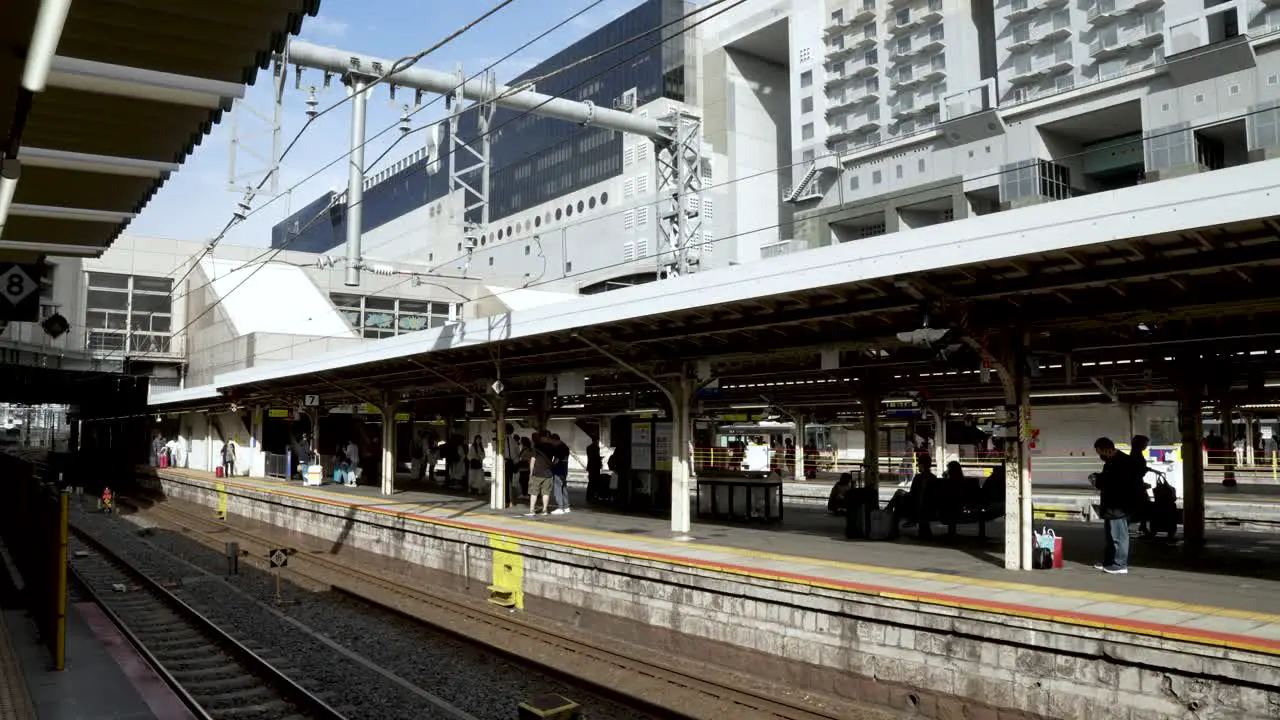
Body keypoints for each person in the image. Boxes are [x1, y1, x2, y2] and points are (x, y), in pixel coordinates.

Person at [1090, 437, 1141, 575]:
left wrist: (1099, 481)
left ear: (1106, 449)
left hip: (1119, 506)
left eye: (1099, 452)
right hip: (1111, 506)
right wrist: (1098, 478)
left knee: (1119, 536)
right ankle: (1109, 561)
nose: (1099, 455)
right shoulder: (1110, 462)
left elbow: (1116, 483)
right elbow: (1108, 480)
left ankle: (1120, 564)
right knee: (1110, 536)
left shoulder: (1123, 462)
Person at [526, 434, 555, 516]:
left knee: (534, 492)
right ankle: (545, 510)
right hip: (548, 473)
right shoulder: (552, 447)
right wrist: (553, 465)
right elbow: (556, 458)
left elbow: (532, 460)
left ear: (541, 438)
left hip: (537, 473)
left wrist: (531, 472)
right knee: (546, 493)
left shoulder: (537, 447)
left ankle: (532, 510)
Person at [550, 433, 571, 514]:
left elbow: (557, 460)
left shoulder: (559, 448)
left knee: (558, 489)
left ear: (555, 440)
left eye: (552, 441)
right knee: (563, 488)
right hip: (564, 469)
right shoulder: (565, 447)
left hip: (558, 470)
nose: (551, 443)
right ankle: (566, 507)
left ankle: (560, 507)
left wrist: (551, 465)